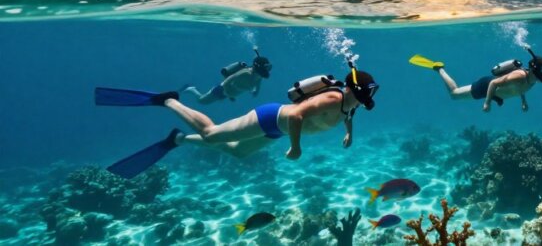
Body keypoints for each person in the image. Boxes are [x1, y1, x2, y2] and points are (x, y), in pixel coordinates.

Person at [95, 69, 378, 179]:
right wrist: (296, 147)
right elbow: (296, 115)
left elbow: (348, 116)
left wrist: (349, 135)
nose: (371, 94)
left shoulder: (351, 105)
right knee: (211, 134)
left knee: (237, 151)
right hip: (271, 118)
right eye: (369, 89)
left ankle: (177, 140)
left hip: (275, 131)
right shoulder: (331, 97)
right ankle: (169, 101)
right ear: (356, 89)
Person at [409, 47, 542, 113]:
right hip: (486, 86)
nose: (540, 78)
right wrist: (487, 103)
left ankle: (439, 69)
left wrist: (524, 102)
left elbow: (521, 88)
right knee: (454, 94)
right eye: (539, 74)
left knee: (455, 96)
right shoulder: (519, 76)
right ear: (532, 70)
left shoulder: (533, 80)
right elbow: (494, 83)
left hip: (496, 94)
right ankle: (439, 68)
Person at [181, 51, 272, 104]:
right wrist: (228, 94)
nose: (267, 70)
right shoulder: (246, 73)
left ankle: (192, 89)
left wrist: (256, 92)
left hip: (228, 94)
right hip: (221, 90)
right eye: (266, 68)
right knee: (202, 101)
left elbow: (258, 85)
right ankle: (192, 89)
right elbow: (226, 82)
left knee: (203, 101)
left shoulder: (259, 77)